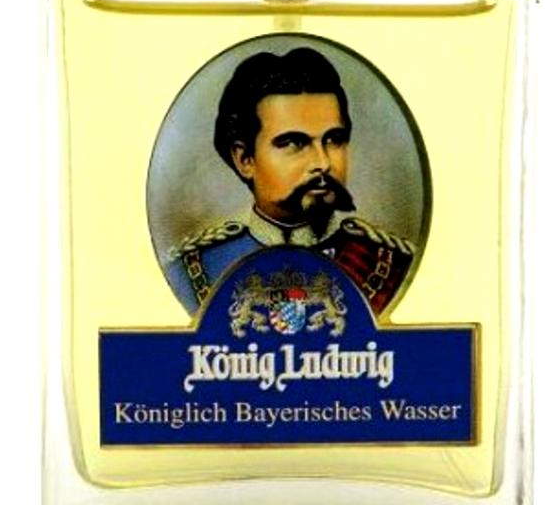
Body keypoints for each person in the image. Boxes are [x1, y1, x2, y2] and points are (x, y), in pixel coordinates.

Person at [167, 48, 415, 314]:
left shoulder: (390, 265)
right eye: (294, 143)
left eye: (334, 140)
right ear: (245, 159)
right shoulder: (193, 272)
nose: (323, 162)